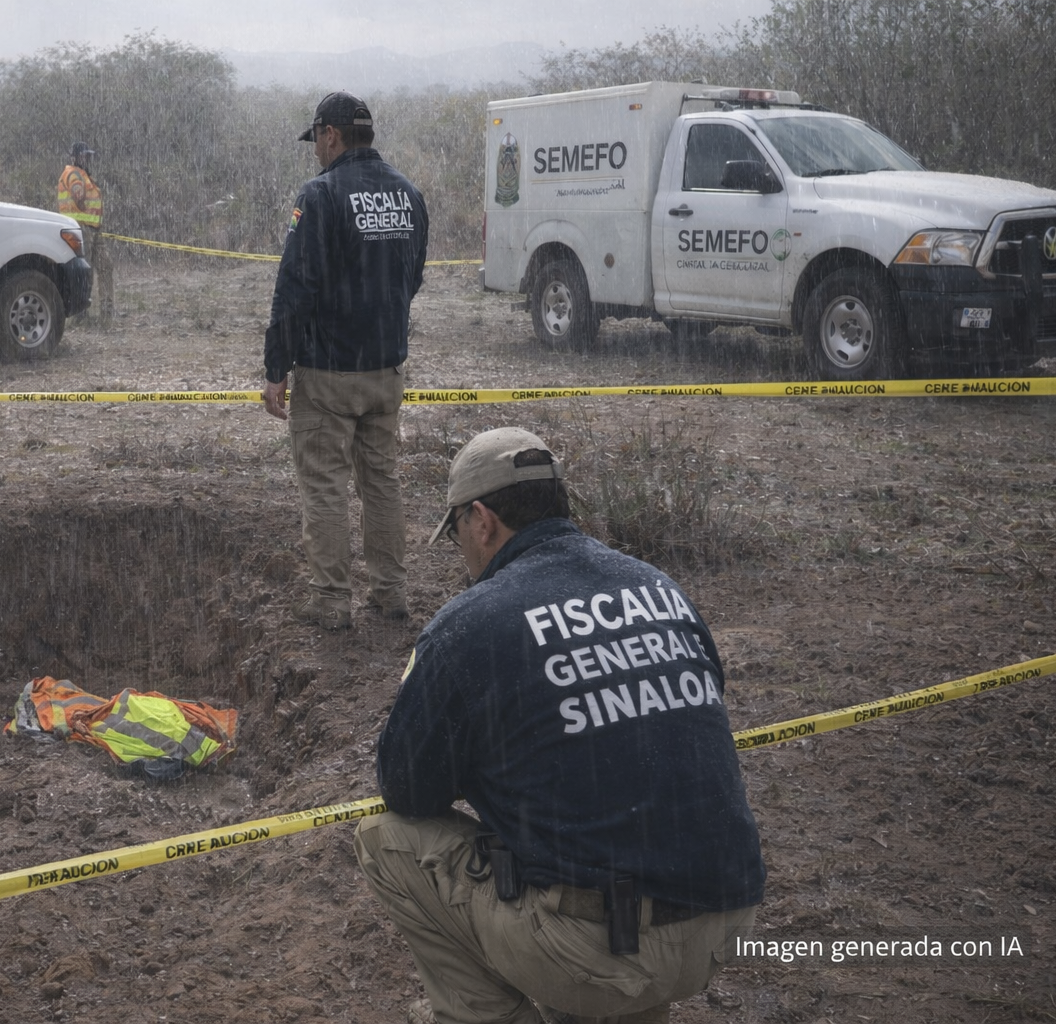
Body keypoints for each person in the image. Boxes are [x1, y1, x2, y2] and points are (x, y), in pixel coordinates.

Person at [356, 428, 764, 1024]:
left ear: (481, 519)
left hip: (598, 949)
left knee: (386, 841)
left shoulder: (471, 624)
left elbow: (408, 791)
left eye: (458, 537)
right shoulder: (659, 588)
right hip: (725, 921)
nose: (463, 554)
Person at [262, 91, 429, 631]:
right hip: (386, 371)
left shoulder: (319, 196)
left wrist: (276, 367)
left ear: (331, 135)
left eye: (317, 141)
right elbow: (412, 278)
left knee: (326, 485)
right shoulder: (408, 194)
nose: (316, 151)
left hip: (329, 371)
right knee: (381, 483)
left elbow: (295, 288)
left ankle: (332, 600)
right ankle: (391, 591)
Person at [57, 140, 114, 323]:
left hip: (94, 229)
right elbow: (78, 196)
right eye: (84, 155)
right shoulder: (73, 174)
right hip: (81, 230)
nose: (87, 158)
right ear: (75, 157)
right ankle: (80, 314)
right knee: (85, 272)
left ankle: (107, 311)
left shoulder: (82, 173)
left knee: (105, 266)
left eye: (88, 155)